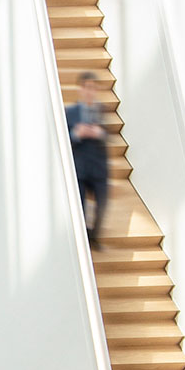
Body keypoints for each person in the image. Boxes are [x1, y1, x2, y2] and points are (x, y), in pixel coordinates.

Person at [66, 71, 110, 249]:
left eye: (94, 88)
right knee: (81, 206)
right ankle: (82, 240)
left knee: (102, 204)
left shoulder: (101, 110)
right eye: (87, 88)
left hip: (99, 168)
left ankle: (94, 236)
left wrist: (99, 133)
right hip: (81, 168)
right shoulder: (70, 112)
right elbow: (64, 139)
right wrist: (77, 134)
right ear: (81, 89)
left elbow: (109, 134)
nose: (90, 92)